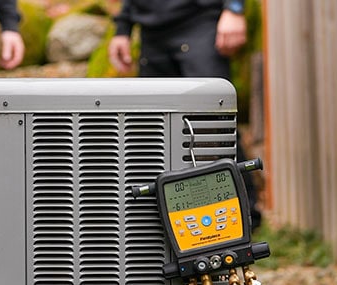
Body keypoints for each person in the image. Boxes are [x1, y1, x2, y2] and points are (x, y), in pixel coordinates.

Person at [108, 0, 262, 229]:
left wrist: (234, 8)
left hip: (200, 24)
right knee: (154, 132)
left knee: (213, 128)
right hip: (152, 34)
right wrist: (123, 28)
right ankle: (174, 225)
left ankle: (244, 219)